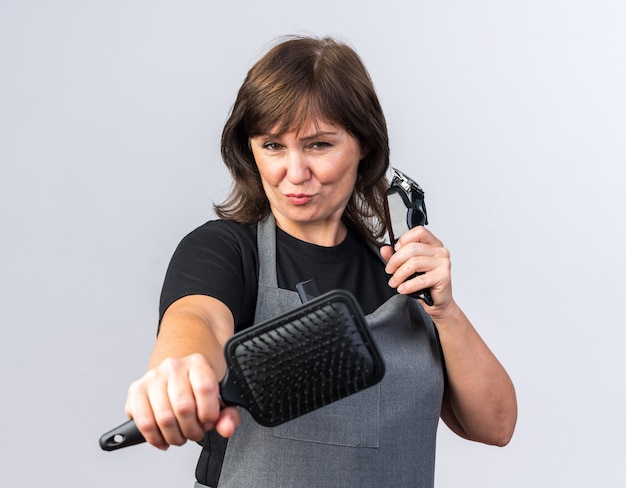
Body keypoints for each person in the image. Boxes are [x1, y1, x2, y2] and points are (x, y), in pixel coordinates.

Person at [125, 35, 517, 488]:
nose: (294, 173)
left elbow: (496, 425)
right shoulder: (225, 251)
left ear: (364, 145)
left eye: (318, 146)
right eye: (273, 145)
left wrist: (445, 312)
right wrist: (178, 369)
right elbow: (198, 321)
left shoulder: (403, 274)